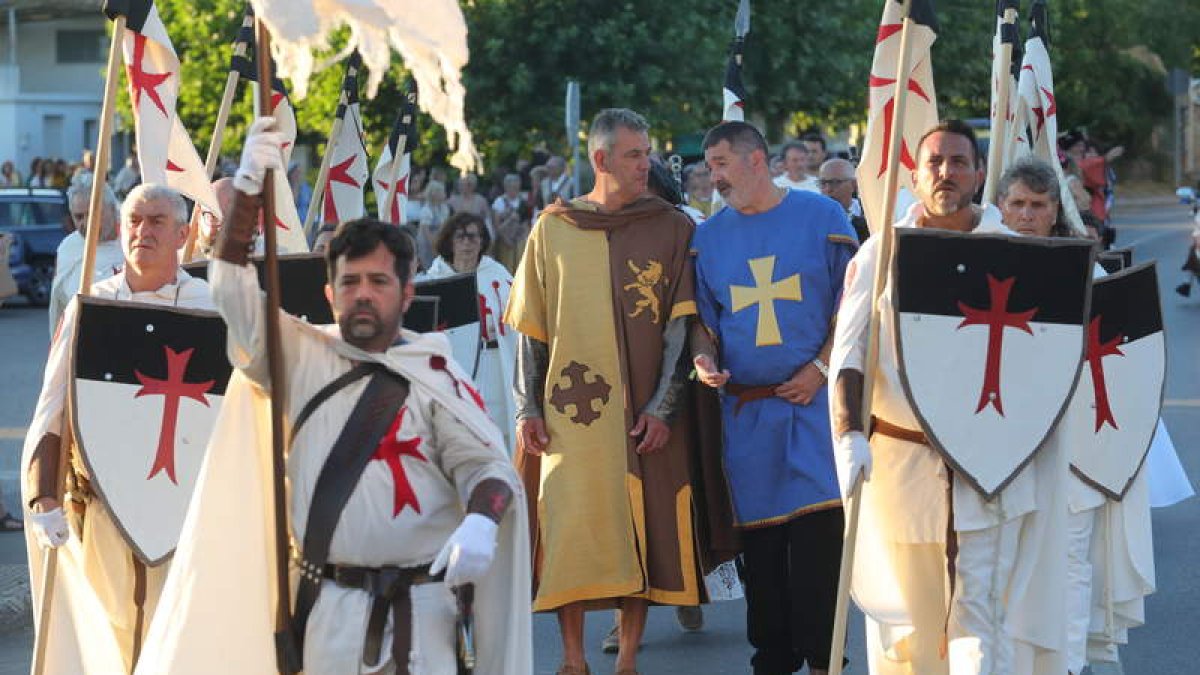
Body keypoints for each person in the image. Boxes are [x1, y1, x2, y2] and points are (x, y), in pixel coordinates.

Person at [132, 117, 531, 674]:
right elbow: (229, 286)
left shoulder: (435, 373)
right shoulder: (297, 356)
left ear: (407, 292)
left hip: (423, 617)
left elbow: (485, 467)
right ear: (329, 291)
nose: (363, 295)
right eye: (350, 283)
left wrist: (483, 520)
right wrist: (248, 186)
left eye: (378, 282)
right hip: (328, 614)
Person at [830, 120, 1069, 674]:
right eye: (935, 162)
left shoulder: (1014, 253)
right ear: (915, 173)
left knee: (980, 612)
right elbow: (849, 351)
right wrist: (848, 434)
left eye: (959, 162)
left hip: (993, 466)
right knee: (913, 622)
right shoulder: (881, 253)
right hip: (904, 466)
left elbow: (1046, 366)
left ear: (979, 172)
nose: (946, 172)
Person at [506, 108, 704, 675]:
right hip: (567, 419)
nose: (648, 165)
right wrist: (526, 408)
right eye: (635, 155)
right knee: (568, 531)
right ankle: (572, 659)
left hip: (640, 412)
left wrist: (664, 407)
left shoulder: (671, 227)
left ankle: (629, 659)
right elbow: (531, 330)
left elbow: (679, 329)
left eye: (647, 153)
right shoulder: (553, 229)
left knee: (637, 530)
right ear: (601, 160)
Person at [996, 157, 1194, 675]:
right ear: (1000, 207)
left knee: (1071, 561)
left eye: (1037, 205)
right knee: (1005, 566)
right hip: (1001, 442)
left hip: (1074, 441)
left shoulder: (1088, 271)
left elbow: (1122, 362)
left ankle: (1069, 664)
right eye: (1016, 203)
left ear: (1053, 212)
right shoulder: (978, 269)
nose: (1025, 215)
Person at [21, 184, 214, 672]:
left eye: (156, 222)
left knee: (181, 643)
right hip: (106, 510)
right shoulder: (91, 306)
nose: (142, 231)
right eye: (134, 220)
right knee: (110, 643)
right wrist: (44, 496)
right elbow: (54, 405)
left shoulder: (211, 311)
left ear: (182, 235)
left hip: (188, 512)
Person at [692, 121, 855, 675]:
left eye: (720, 163)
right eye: (710, 166)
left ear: (755, 160)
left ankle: (825, 656)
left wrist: (820, 366)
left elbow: (853, 310)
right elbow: (704, 323)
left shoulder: (822, 219)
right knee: (763, 555)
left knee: (817, 546)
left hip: (812, 409)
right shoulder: (709, 238)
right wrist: (704, 359)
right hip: (748, 416)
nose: (713, 176)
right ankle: (773, 660)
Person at [421, 212, 518, 453]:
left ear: (483, 241)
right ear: (449, 241)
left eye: (473, 237)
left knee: (496, 425)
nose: (467, 243)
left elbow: (520, 318)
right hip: (453, 367)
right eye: (460, 237)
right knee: (460, 429)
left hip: (495, 362)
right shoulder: (435, 280)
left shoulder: (498, 275)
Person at [48, 177, 126, 333]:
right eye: (79, 217)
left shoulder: (133, 242)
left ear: (112, 208)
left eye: (92, 214)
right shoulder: (68, 248)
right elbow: (59, 304)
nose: (86, 223)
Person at [819, 158, 870, 242]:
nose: (828, 189)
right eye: (823, 183)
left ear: (853, 185)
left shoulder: (870, 213)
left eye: (835, 182)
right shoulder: (814, 216)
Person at [491, 173, 532, 273]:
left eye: (516, 187)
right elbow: (496, 227)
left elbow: (527, 224)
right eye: (511, 187)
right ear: (506, 187)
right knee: (505, 270)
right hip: (504, 242)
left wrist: (523, 238)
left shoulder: (523, 202)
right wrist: (510, 220)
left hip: (520, 242)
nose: (514, 189)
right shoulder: (499, 202)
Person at [416, 179, 450, 270]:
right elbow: (426, 232)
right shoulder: (426, 210)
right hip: (427, 242)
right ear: (434, 193)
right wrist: (434, 247)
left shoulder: (444, 207)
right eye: (441, 192)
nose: (444, 194)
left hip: (439, 239)